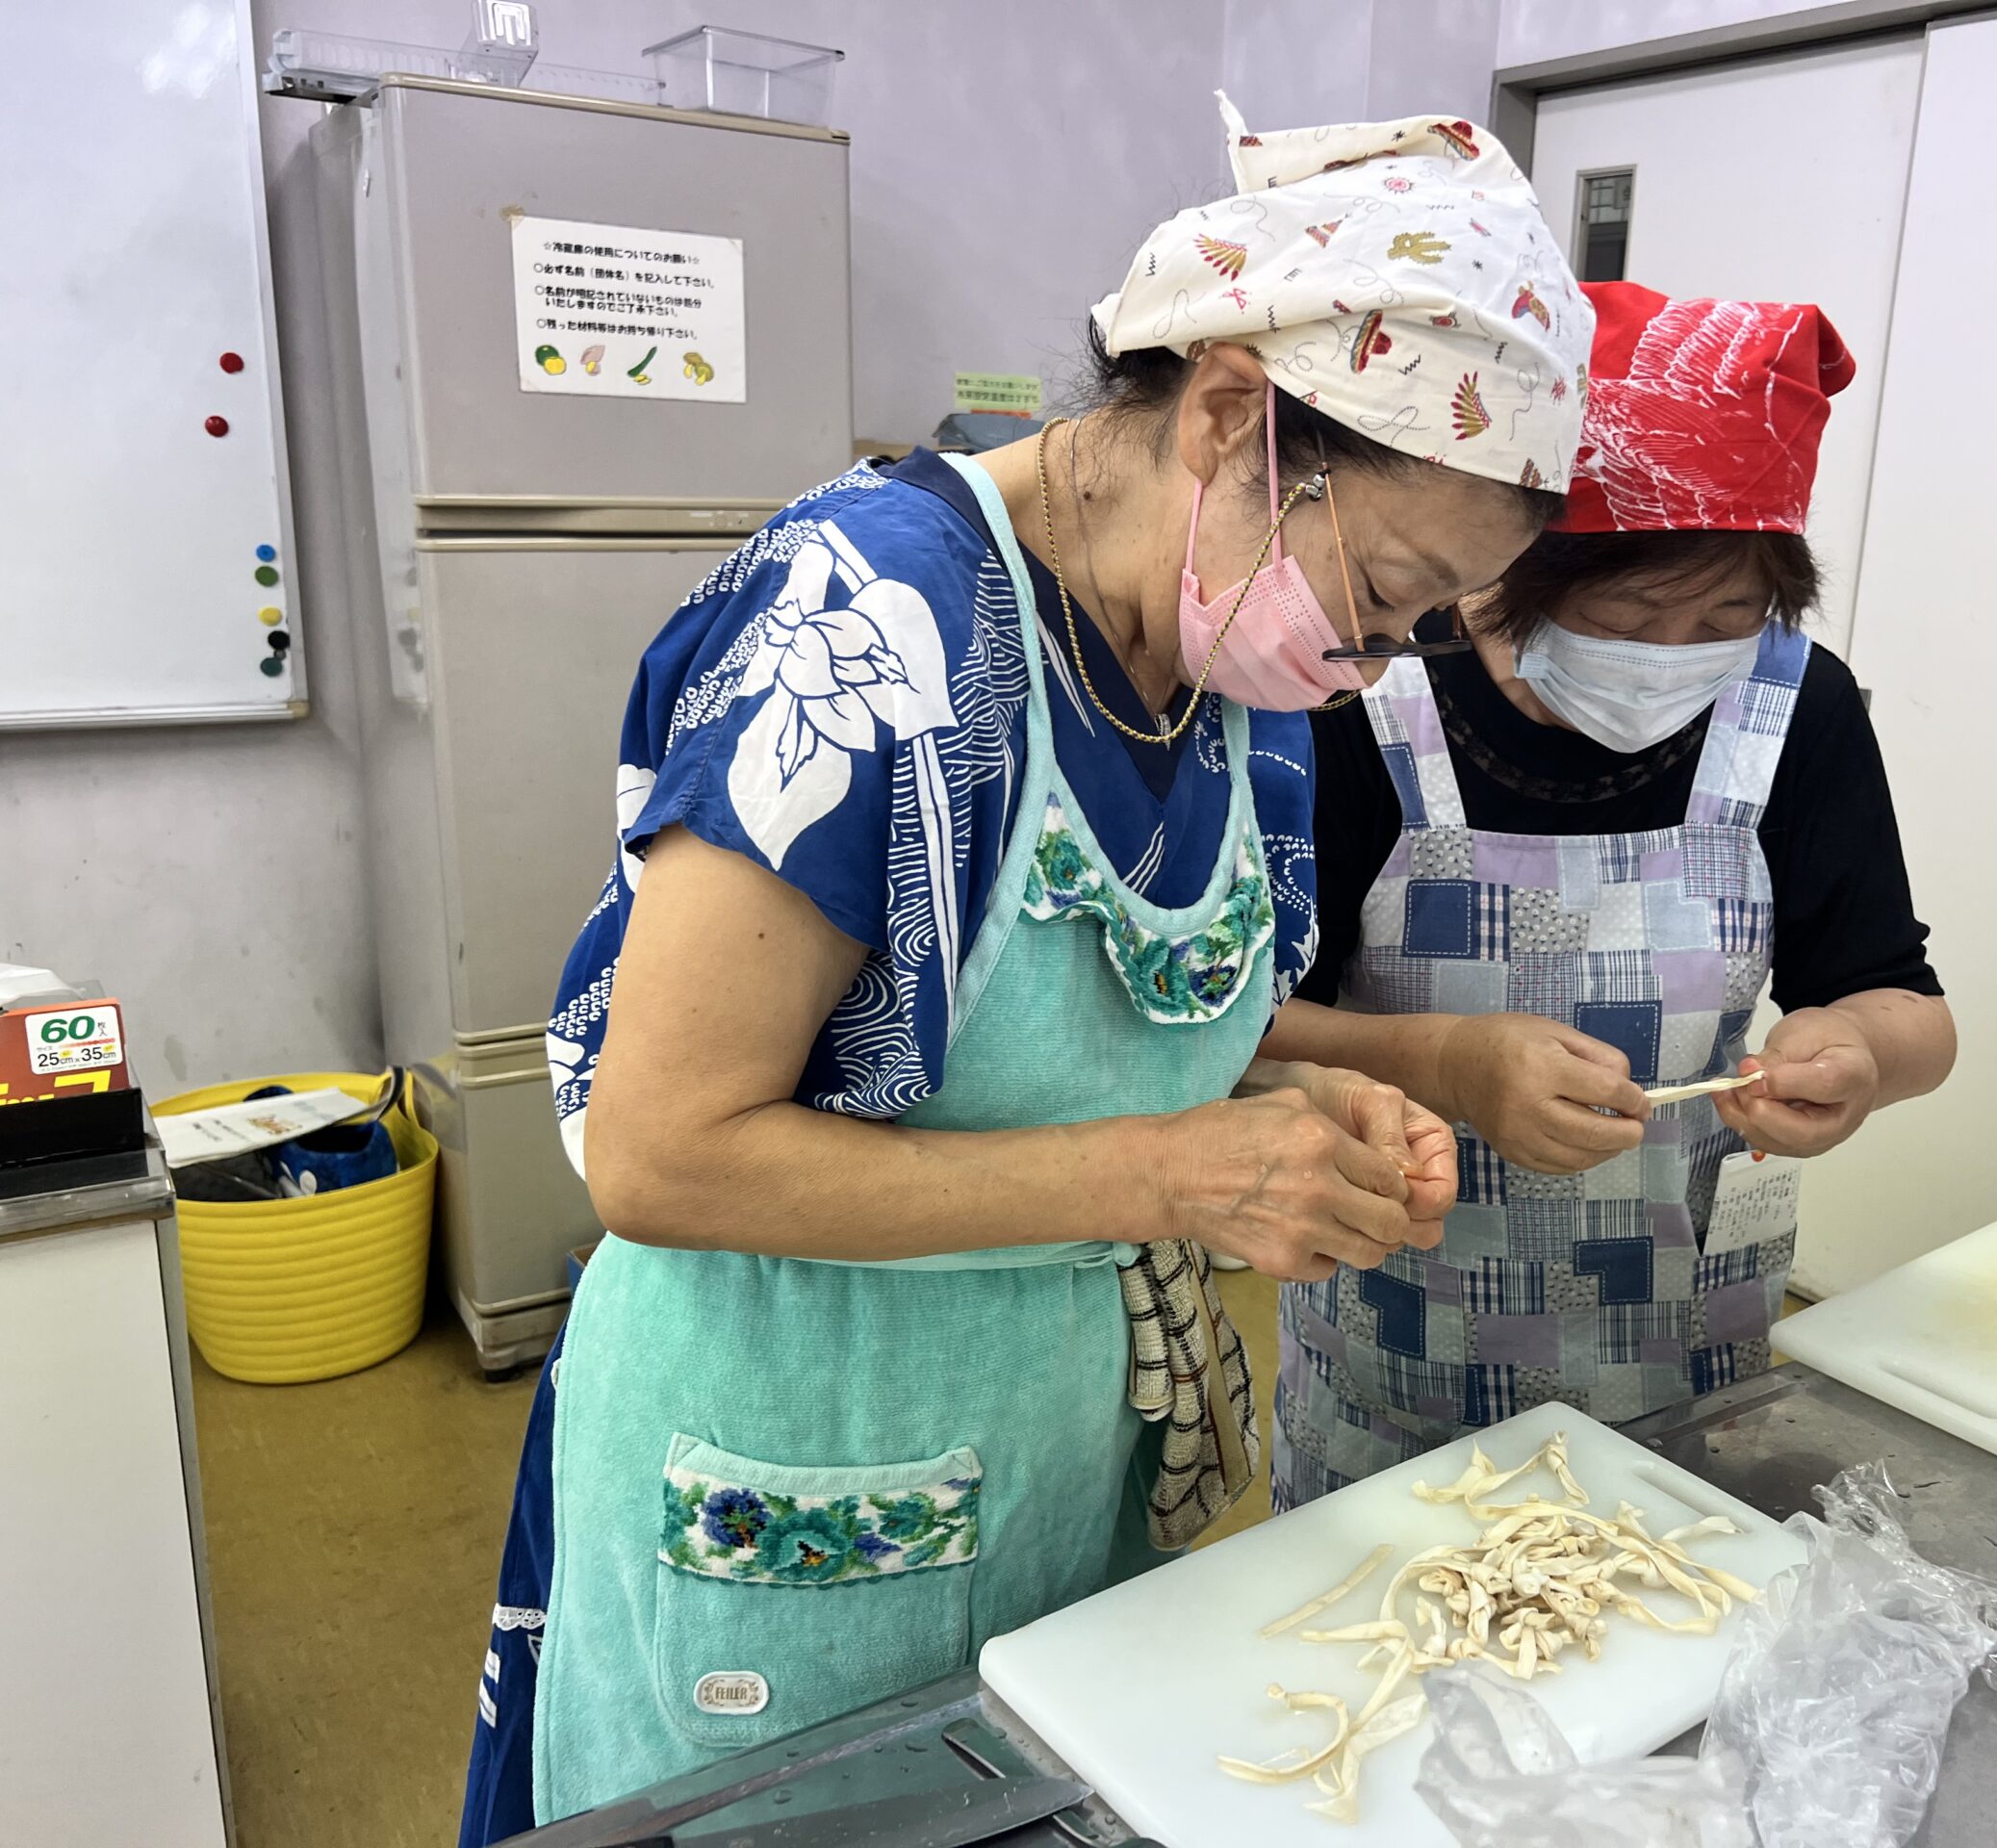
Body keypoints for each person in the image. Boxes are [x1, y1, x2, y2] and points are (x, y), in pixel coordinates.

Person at [457, 96, 1594, 1840]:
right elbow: (657, 1148)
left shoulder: (1235, 669)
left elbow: (1138, 1025)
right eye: (1387, 585)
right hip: (796, 1459)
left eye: (1434, 620)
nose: (1380, 657)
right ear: (1232, 417)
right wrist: (1163, 1173)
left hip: (1058, 1449)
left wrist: (1351, 1100)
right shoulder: (876, 635)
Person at [1261, 280, 1957, 1503]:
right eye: (1631, 610)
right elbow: (1234, 1034)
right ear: (1508, 567)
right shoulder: (1359, 699)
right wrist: (1448, 1062)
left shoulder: (1797, 709)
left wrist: (1852, 1054)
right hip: (1399, 1356)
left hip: (1686, 1368)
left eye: (1728, 613)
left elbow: (1903, 1006)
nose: (1674, 654)